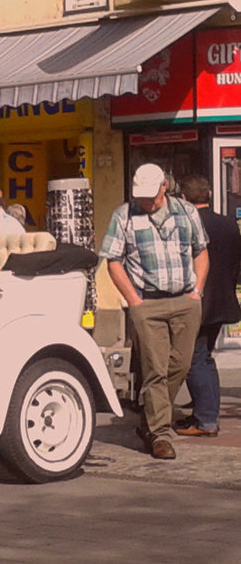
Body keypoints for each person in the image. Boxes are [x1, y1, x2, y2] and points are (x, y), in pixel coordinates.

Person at [101, 163, 208, 460]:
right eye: (141, 196)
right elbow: (113, 260)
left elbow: (200, 250)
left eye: (151, 195)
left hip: (185, 300)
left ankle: (148, 422)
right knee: (155, 370)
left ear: (165, 186)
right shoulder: (124, 216)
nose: (145, 201)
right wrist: (134, 300)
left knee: (181, 365)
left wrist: (197, 290)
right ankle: (160, 434)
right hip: (147, 303)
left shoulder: (187, 213)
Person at [176, 174, 241, 437]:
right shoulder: (228, 224)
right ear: (210, 195)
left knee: (194, 358)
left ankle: (205, 421)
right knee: (205, 356)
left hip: (197, 300)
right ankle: (205, 411)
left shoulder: (186, 224)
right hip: (223, 299)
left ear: (183, 199)